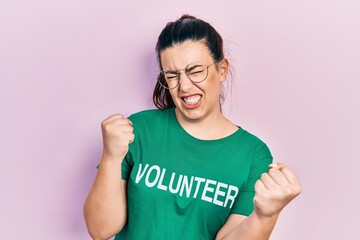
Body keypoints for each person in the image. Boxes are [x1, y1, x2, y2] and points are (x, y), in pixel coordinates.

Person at [83, 14, 302, 240]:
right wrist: (110, 156)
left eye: (196, 71)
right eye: (172, 75)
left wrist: (265, 216)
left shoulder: (252, 155)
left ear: (222, 69)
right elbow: (100, 230)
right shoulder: (138, 129)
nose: (185, 86)